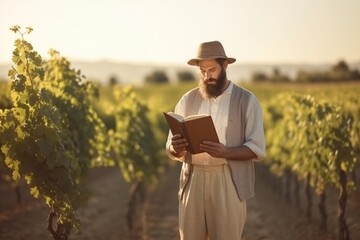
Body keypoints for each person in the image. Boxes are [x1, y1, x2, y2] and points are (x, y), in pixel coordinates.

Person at [165, 40, 266, 240]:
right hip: (192, 179)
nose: (207, 75)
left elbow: (257, 148)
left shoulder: (247, 100)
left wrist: (226, 152)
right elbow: (170, 148)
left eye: (212, 69)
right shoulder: (187, 99)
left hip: (228, 179)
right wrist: (176, 148)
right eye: (202, 71)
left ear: (225, 66)